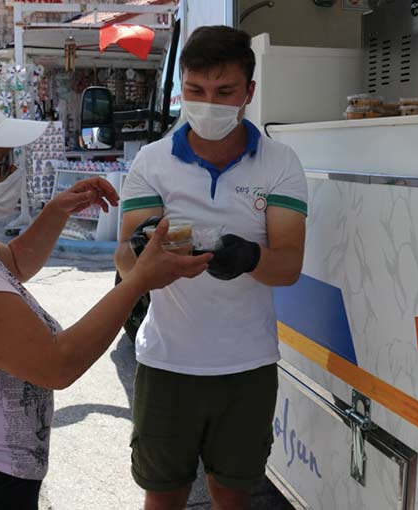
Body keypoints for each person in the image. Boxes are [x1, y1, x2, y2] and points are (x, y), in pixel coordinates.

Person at [0, 89, 212, 510]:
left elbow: (15, 262)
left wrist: (57, 210)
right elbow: (58, 363)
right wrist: (137, 282)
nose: (12, 171)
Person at [114, 26, 308, 510]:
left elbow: (288, 267)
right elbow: (124, 257)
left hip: (247, 365)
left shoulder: (280, 163)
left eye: (224, 92)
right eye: (196, 91)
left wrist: (249, 258)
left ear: (249, 92)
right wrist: (144, 252)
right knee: (164, 496)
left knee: (232, 494)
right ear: (181, 86)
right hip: (167, 363)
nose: (208, 104)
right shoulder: (152, 163)